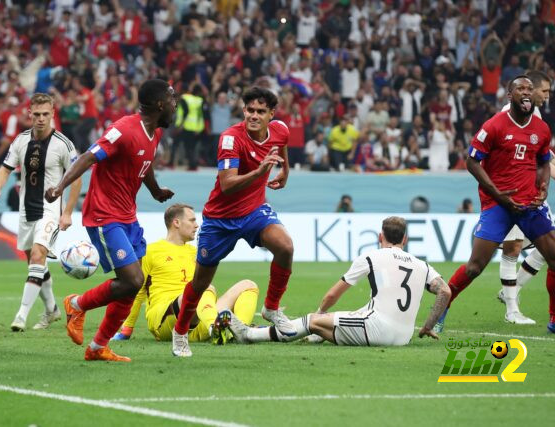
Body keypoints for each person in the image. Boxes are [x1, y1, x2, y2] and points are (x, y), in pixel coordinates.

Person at [435, 76, 555, 335]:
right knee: (475, 266)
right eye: (520, 89)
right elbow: (472, 162)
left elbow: (543, 160)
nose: (526, 92)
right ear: (509, 95)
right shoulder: (494, 126)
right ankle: (443, 307)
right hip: (498, 204)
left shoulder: (541, 129)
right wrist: (496, 193)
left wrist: (544, 186)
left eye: (529, 88)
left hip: (530, 204)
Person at [44, 79, 177, 362]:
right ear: (160, 104)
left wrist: (155, 191)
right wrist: (59, 187)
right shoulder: (124, 129)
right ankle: (77, 304)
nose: (176, 105)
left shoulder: (153, 133)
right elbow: (89, 157)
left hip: (127, 215)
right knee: (132, 279)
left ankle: (97, 348)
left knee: (133, 284)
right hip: (105, 216)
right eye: (173, 100)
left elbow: (145, 164)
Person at [170, 86, 294, 357]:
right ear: (243, 109)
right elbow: (227, 185)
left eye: (261, 112)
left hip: (254, 211)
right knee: (200, 284)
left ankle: (271, 307)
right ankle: (180, 334)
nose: (254, 116)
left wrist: (285, 169)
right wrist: (260, 171)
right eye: (250, 110)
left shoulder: (281, 129)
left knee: (285, 246)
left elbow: (281, 144)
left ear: (271, 114)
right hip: (220, 219)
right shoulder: (230, 139)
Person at [227, 216, 451, 346]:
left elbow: (333, 295)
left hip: (376, 330)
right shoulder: (423, 265)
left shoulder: (371, 257)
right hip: (403, 336)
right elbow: (445, 292)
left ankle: (250, 335)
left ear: (380, 237)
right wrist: (428, 325)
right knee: (343, 320)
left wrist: (320, 312)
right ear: (405, 239)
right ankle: (317, 335)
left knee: (311, 321)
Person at [0, 93, 81, 332]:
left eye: (45, 114)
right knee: (34, 262)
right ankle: (52, 310)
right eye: (37, 114)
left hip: (50, 209)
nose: (41, 119)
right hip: (25, 208)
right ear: (30, 113)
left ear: (52, 113)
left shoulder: (63, 143)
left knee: (39, 256)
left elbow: (77, 178)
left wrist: (68, 212)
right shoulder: (20, 141)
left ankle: (21, 315)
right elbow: (6, 168)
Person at [111, 204, 259, 344]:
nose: (196, 225)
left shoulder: (196, 253)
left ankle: (240, 332)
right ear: (176, 222)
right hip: (165, 320)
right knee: (204, 288)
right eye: (192, 220)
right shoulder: (151, 251)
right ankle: (215, 326)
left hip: (196, 320)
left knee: (248, 285)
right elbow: (137, 290)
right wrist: (127, 329)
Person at [497, 70, 555, 324]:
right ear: (531, 89)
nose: (547, 96)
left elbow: (543, 150)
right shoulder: (508, 114)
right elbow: (519, 155)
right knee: (512, 248)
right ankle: (512, 310)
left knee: (547, 250)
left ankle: (512, 290)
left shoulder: (535, 115)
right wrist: (554, 170)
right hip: (510, 189)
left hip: (531, 191)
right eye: (545, 91)